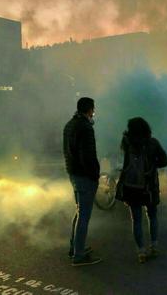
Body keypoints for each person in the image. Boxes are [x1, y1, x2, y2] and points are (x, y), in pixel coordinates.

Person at [115, 117, 167, 264]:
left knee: (136, 220)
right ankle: (154, 245)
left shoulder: (126, 143)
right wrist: (152, 165)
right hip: (149, 186)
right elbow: (165, 161)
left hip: (131, 187)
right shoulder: (152, 143)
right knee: (152, 216)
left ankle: (141, 251)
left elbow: (122, 161)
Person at [63, 97, 102, 266]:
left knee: (79, 212)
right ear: (89, 110)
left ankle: (75, 247)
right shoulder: (85, 128)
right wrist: (95, 175)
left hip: (74, 173)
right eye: (93, 109)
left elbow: (68, 151)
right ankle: (78, 255)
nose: (94, 112)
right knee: (84, 216)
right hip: (84, 176)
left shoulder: (69, 125)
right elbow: (88, 156)